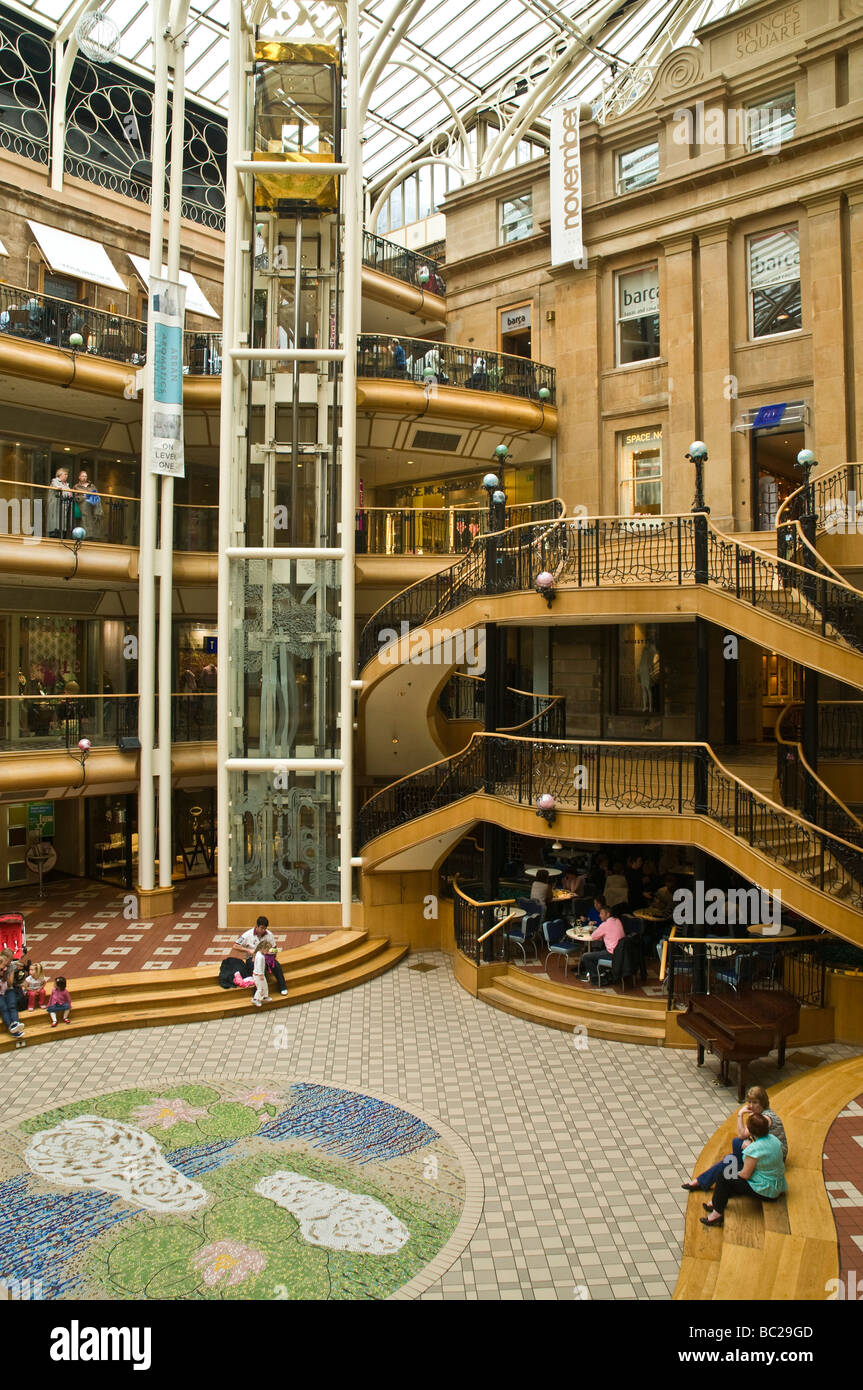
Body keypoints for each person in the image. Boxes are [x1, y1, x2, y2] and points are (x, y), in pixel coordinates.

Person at [682, 1087, 788, 1192]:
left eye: (755, 1102)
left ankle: (702, 1182)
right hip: (764, 1149)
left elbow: (742, 1135)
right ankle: (702, 1181)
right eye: (749, 1102)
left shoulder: (765, 1118)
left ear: (763, 1102)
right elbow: (743, 1135)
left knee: (735, 1151)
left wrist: (740, 1114)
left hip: (775, 1155)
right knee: (733, 1155)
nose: (751, 1106)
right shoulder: (758, 1115)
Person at [700, 1111, 786, 1227]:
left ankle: (717, 1213)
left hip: (766, 1190)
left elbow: (745, 1175)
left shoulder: (753, 1150)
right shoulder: (774, 1139)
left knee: (724, 1176)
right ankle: (717, 1201)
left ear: (751, 1131)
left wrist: (732, 1171)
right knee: (732, 1171)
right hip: (777, 1183)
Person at [234, 916, 288, 995]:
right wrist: (248, 950)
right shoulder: (247, 935)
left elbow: (275, 949)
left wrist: (269, 953)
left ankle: (283, 987)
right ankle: (257, 993)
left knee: (276, 966)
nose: (263, 930)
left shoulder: (269, 935)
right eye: (261, 928)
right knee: (258, 969)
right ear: (257, 926)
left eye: (265, 928)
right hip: (251, 959)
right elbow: (235, 946)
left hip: (265, 958)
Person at [579, 905, 625, 983]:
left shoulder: (605, 925)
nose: (599, 915)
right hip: (622, 952)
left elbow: (593, 936)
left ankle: (596, 978)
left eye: (601, 913)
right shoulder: (618, 921)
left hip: (612, 954)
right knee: (599, 950)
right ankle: (602, 972)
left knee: (586, 956)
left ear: (608, 915)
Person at [0, 956, 24, 1039]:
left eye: (5, 968)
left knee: (12, 1006)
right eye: (2, 968)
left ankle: (16, 1024)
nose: (4, 970)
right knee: (4, 1008)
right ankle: (13, 1029)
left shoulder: (5, 972)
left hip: (7, 990)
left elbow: (9, 985)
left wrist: (8, 973)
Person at [75, 469, 102, 539]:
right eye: (82, 476)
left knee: (97, 503)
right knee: (85, 511)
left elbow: (96, 495)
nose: (84, 478)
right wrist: (84, 497)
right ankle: (86, 535)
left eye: (85, 476)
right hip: (83, 503)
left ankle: (94, 535)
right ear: (79, 477)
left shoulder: (92, 486)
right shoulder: (76, 486)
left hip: (92, 503)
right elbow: (76, 497)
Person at [47, 467, 73, 538]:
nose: (66, 476)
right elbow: (58, 489)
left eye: (67, 474)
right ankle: (55, 534)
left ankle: (63, 534)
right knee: (57, 523)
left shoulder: (66, 484)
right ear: (60, 474)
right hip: (57, 506)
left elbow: (69, 494)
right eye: (65, 474)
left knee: (63, 523)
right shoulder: (55, 481)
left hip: (65, 506)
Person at [251, 941, 269, 1008]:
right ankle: (255, 999)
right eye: (266, 950)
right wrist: (261, 974)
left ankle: (264, 996)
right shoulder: (260, 957)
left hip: (259, 974)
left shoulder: (259, 954)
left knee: (265, 986)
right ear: (262, 948)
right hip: (258, 975)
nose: (267, 952)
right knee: (260, 988)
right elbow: (258, 966)